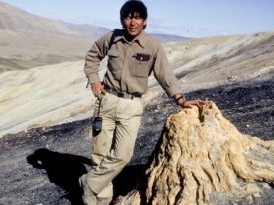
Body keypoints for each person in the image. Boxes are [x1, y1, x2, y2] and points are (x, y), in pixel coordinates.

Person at [81, 1, 203, 204]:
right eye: (128, 17)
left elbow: (165, 74)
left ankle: (88, 183)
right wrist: (94, 81)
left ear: (144, 21)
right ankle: (98, 199)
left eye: (137, 17)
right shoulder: (111, 38)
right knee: (100, 155)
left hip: (131, 106)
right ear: (122, 19)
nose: (132, 22)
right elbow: (92, 56)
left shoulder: (152, 46)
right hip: (107, 101)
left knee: (122, 155)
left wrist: (180, 100)